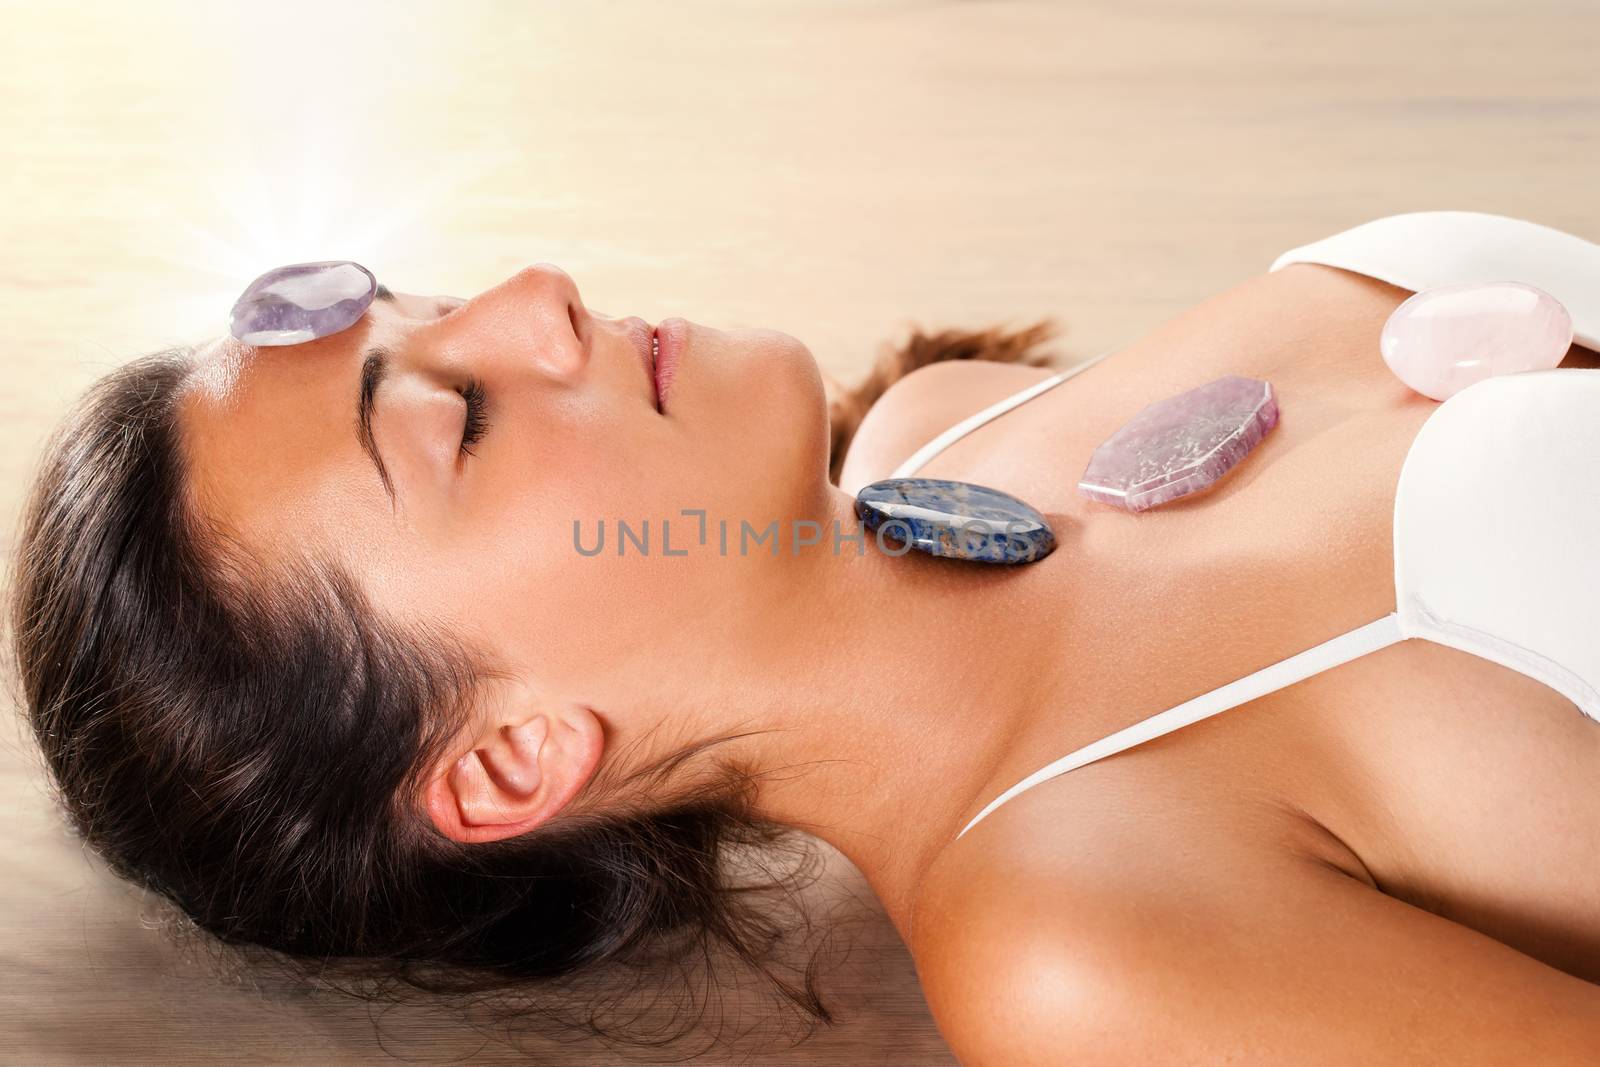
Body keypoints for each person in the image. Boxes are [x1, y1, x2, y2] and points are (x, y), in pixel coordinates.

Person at [11, 213, 1600, 1063]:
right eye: (456, 416)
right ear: (509, 758)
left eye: (429, 304)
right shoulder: (1078, 952)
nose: (534, 295)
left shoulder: (953, 418)